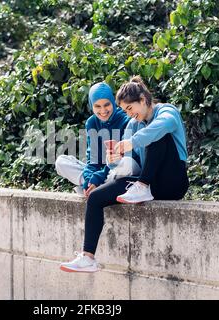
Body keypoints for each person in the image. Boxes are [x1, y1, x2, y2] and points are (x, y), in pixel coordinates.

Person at [59, 76, 189, 273]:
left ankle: (142, 187)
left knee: (155, 134)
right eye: (126, 110)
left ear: (143, 101)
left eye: (130, 109)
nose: (129, 114)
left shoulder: (166, 110)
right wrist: (115, 157)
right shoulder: (132, 125)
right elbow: (130, 161)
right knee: (95, 198)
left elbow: (164, 125)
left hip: (174, 181)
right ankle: (88, 258)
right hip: (148, 182)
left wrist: (132, 142)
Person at [55, 82, 140, 197]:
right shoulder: (92, 123)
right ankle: (95, 187)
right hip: (104, 174)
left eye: (106, 105)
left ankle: (100, 187)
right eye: (97, 106)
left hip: (121, 169)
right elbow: (93, 160)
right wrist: (89, 179)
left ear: (113, 102)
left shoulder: (126, 120)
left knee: (126, 163)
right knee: (61, 162)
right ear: (91, 105)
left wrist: (98, 177)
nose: (103, 111)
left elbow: (130, 156)